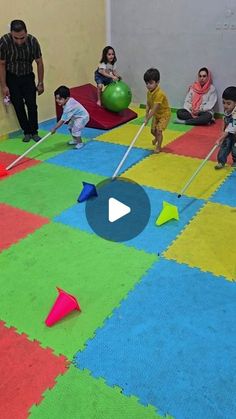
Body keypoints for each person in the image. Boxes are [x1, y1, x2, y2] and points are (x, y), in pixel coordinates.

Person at [0, 20, 44, 142]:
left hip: (27, 76)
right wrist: (4, 86)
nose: (19, 41)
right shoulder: (4, 42)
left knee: (32, 105)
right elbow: (2, 64)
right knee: (18, 106)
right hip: (11, 77)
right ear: (11, 34)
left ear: (26, 33)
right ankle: (27, 132)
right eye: (16, 38)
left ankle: (34, 131)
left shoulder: (32, 41)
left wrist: (40, 82)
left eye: (22, 38)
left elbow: (39, 62)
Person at [144, 68, 171, 153]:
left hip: (164, 114)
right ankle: (157, 138)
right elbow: (148, 104)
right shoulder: (149, 92)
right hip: (156, 115)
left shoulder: (160, 94)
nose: (148, 85)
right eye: (146, 83)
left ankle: (158, 147)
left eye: (151, 83)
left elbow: (155, 108)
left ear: (157, 82)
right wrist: (146, 115)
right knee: (152, 131)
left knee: (159, 131)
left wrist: (148, 118)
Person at [215, 86, 236, 169]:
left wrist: (220, 138)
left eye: (228, 103)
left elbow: (232, 127)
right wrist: (222, 132)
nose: (225, 105)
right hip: (228, 132)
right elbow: (224, 120)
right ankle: (221, 162)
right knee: (224, 146)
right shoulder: (227, 110)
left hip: (234, 132)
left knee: (235, 149)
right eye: (223, 102)